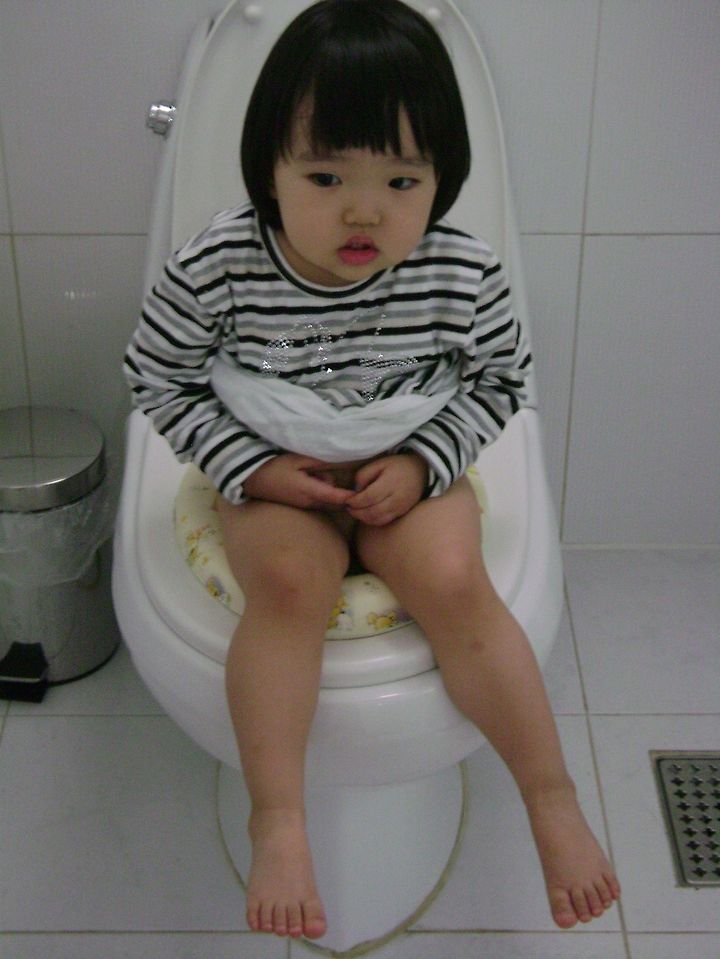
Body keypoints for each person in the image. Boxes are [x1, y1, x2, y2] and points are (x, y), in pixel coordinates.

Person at [124, 0, 620, 940]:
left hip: (408, 461)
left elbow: (504, 381)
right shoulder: (220, 264)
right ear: (268, 169)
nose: (364, 209)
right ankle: (280, 818)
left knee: (456, 581)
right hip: (277, 464)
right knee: (286, 582)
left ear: (442, 178)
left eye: (402, 179)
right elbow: (158, 376)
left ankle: (550, 796)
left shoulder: (459, 271)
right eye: (324, 176)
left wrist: (426, 462)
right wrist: (255, 468)